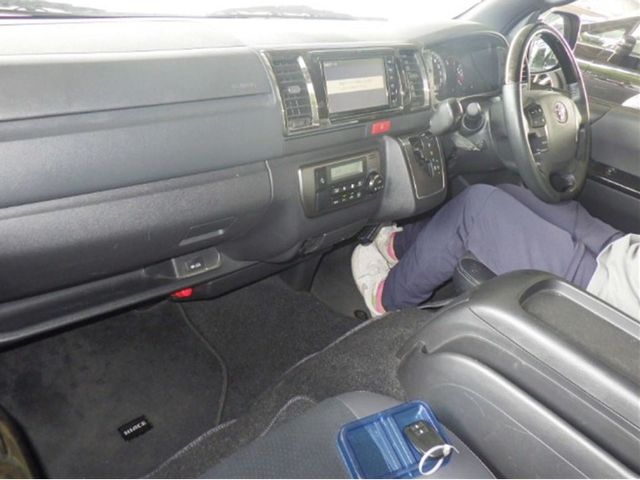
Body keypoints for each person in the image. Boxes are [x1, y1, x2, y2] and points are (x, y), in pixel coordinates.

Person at [352, 183, 640, 319]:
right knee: (505, 191)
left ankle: (388, 300)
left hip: (612, 295)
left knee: (476, 208)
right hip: (622, 254)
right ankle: (397, 246)